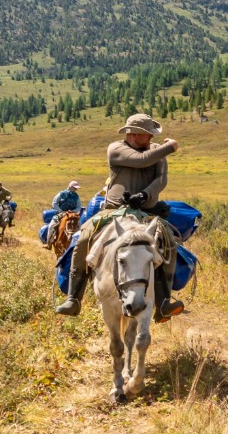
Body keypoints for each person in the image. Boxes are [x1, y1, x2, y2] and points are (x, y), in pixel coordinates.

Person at [55, 114, 183, 321]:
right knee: (84, 237)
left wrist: (144, 195)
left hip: (147, 211)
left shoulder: (156, 151)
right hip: (114, 210)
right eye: (146, 134)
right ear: (132, 134)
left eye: (149, 134)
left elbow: (161, 179)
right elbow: (142, 160)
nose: (150, 137)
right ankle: (74, 297)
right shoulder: (116, 148)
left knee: (169, 239)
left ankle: (163, 301)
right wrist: (171, 146)